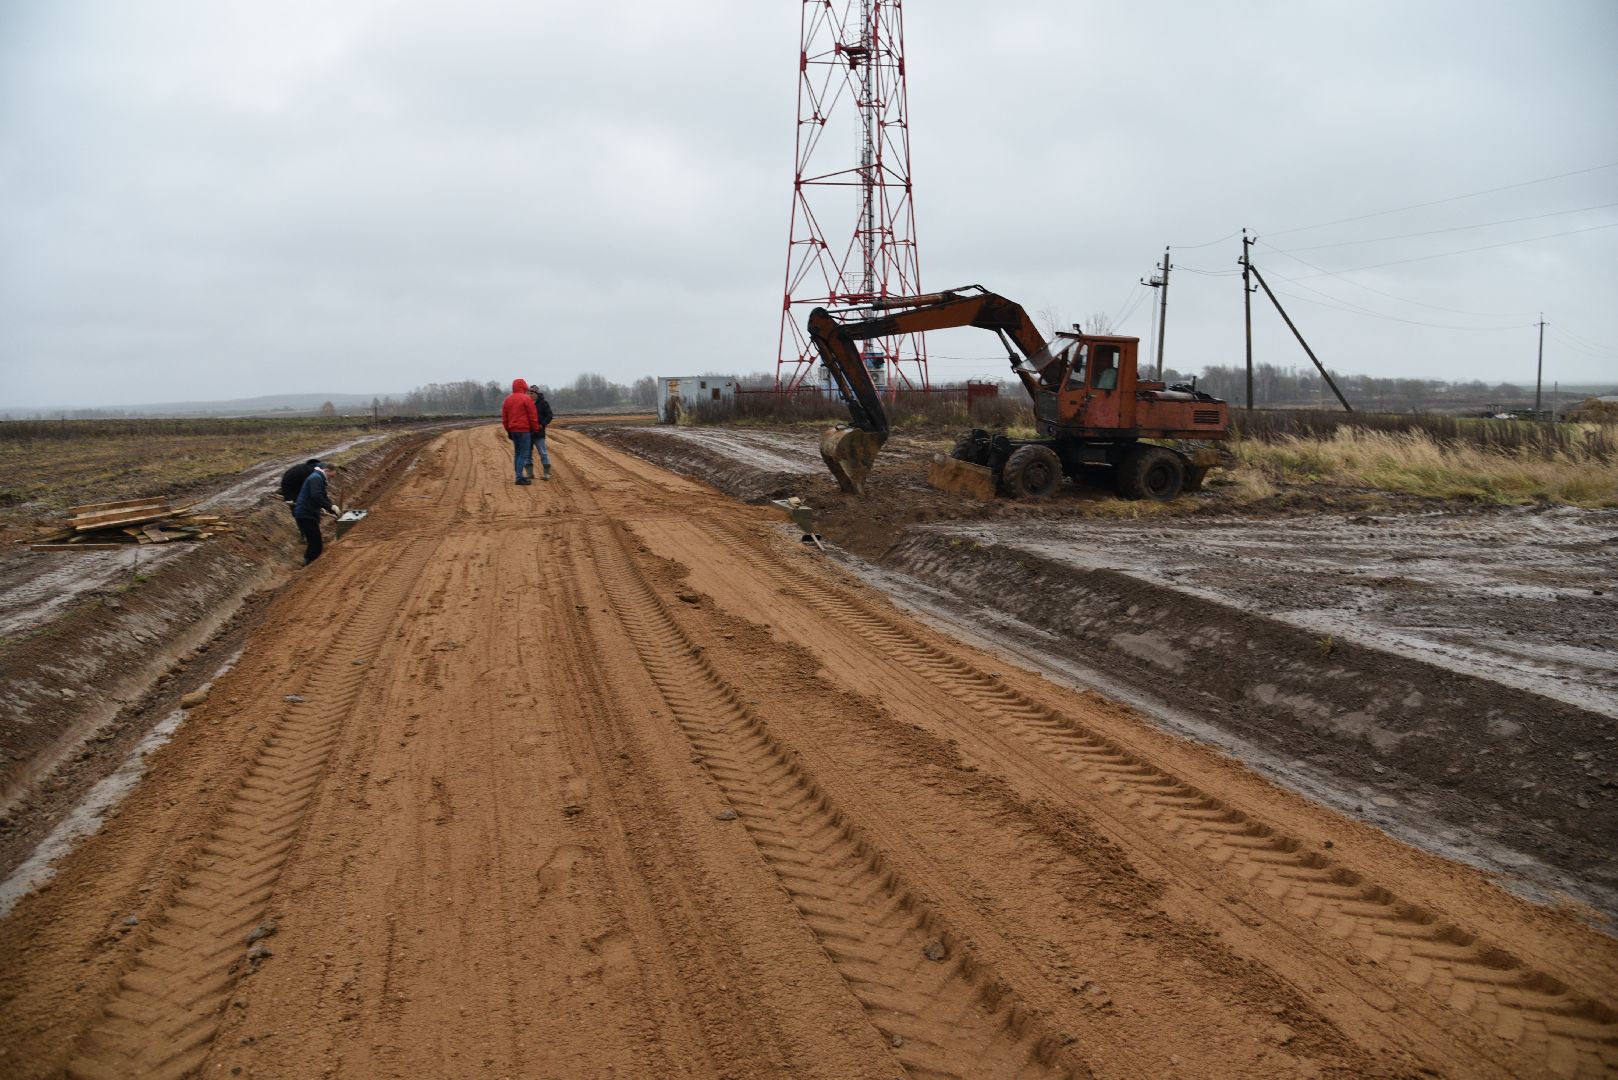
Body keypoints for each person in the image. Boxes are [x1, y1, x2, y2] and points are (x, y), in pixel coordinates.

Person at [292, 462, 340, 565]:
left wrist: (332, 508)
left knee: (315, 540)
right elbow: (316, 496)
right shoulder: (316, 478)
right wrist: (330, 507)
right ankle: (309, 562)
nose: (330, 479)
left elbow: (323, 496)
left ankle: (310, 560)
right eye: (331, 476)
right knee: (315, 541)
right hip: (305, 513)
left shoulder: (318, 478)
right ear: (326, 470)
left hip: (307, 512)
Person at [501, 378, 539, 485]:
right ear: (524, 387)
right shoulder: (526, 399)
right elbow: (533, 416)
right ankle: (519, 477)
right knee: (523, 454)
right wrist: (535, 428)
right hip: (524, 430)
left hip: (513, 430)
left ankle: (518, 475)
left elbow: (505, 418)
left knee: (517, 453)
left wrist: (508, 430)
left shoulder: (507, 400)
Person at [527, 382, 554, 480]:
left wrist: (542, 424)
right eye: (529, 393)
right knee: (527, 453)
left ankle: (547, 473)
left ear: (537, 394)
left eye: (532, 393)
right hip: (528, 433)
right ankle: (530, 474)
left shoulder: (543, 403)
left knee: (543, 452)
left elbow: (549, 416)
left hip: (539, 433)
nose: (530, 395)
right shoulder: (526, 403)